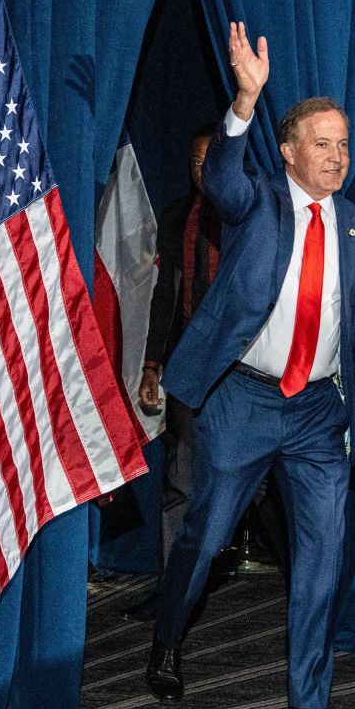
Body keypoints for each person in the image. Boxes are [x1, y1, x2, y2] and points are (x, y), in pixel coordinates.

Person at [145, 21, 355, 709]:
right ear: (288, 150)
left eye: (343, 144)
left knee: (319, 560)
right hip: (243, 402)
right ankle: (169, 635)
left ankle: (308, 708)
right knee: (206, 537)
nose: (336, 156)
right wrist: (244, 99)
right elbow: (220, 180)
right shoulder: (259, 201)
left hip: (316, 412)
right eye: (322, 142)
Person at [123, 127, 222, 621]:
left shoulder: (251, 215)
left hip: (243, 375)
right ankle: (173, 594)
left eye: (211, 160)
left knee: (257, 485)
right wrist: (152, 365)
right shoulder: (177, 216)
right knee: (179, 480)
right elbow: (165, 299)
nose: (202, 170)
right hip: (186, 367)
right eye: (195, 161)